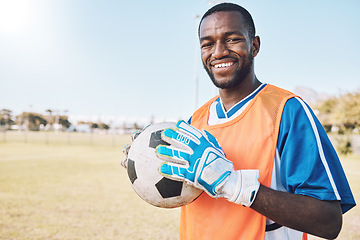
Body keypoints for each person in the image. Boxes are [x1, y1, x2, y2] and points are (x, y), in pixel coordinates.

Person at [123, 3, 355, 240]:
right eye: (207, 43)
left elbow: (328, 221)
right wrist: (147, 160)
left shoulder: (287, 111)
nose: (218, 51)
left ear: (254, 46)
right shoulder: (196, 120)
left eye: (232, 39)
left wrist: (232, 183)